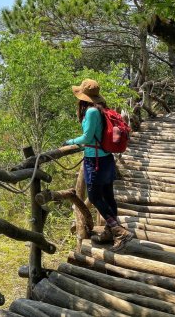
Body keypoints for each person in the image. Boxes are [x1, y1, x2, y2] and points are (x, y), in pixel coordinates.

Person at [65, 79, 133, 252]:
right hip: (106, 158)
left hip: (94, 160)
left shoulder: (91, 112)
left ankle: (119, 231)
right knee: (108, 195)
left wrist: (70, 141)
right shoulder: (101, 108)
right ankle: (111, 230)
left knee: (95, 196)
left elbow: (87, 138)